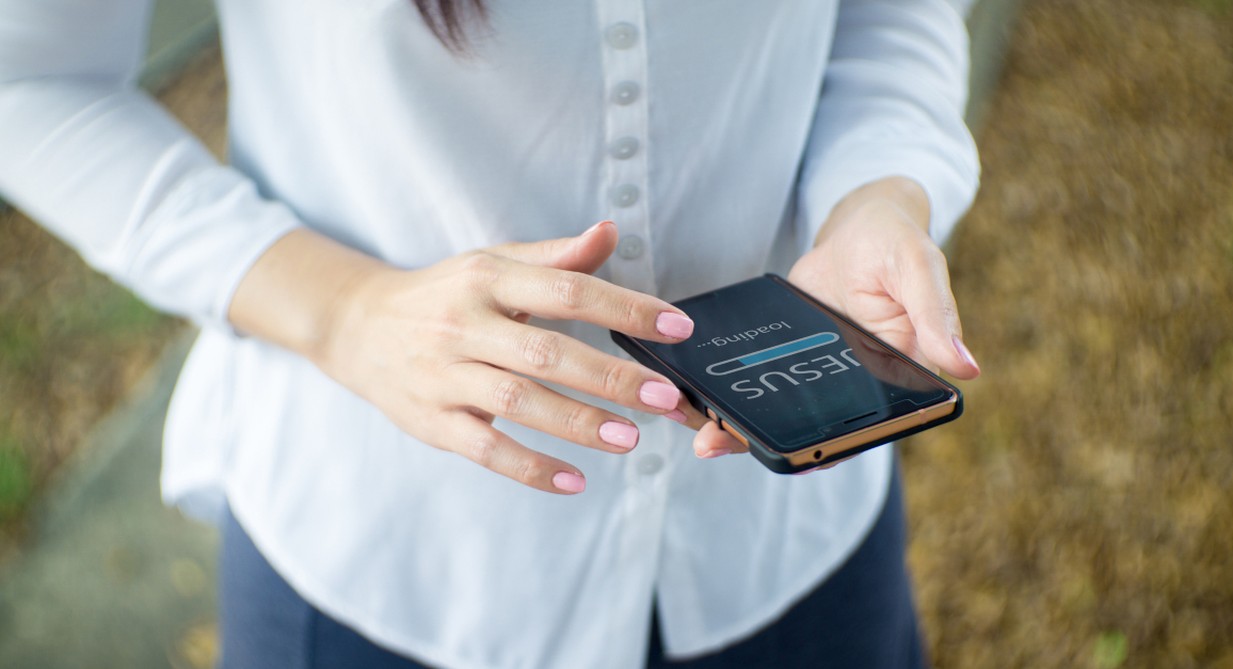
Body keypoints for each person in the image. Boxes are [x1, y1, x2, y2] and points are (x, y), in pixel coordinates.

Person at [0, 0, 982, 667]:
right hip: (389, 566)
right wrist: (341, 309)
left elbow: (887, 11)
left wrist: (880, 190)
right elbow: (29, 80)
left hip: (788, 555)